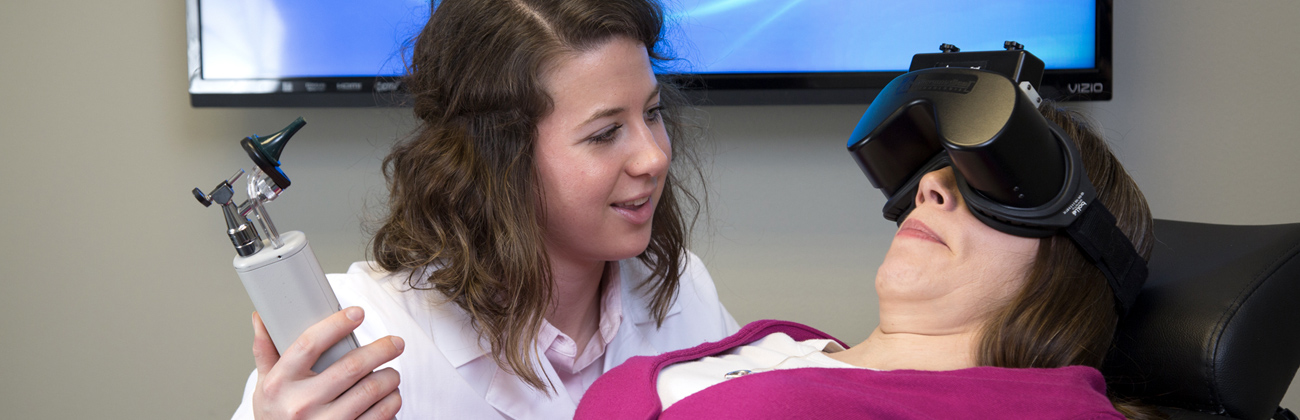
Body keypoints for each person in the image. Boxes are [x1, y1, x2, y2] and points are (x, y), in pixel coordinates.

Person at [230, 0, 739, 418]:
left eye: (652, 113)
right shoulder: (359, 331)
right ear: (496, 158)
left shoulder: (682, 291)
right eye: (605, 133)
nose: (654, 156)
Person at [575, 101, 1167, 420]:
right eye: (938, 170)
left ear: (1076, 255)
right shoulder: (788, 344)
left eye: (993, 183)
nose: (931, 189)